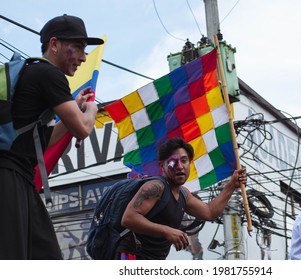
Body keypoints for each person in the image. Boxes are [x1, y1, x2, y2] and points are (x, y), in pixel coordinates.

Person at [0, 14, 104, 259]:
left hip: (20, 179)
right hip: (8, 177)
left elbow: (47, 139)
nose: (83, 57)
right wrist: (90, 110)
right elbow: (83, 129)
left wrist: (73, 113)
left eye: (85, 49)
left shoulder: (34, 74)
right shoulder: (48, 74)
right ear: (54, 44)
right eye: (77, 47)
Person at [115, 137, 247, 260]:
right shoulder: (156, 187)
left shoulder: (184, 194)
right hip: (132, 256)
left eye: (184, 161)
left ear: (189, 163)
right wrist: (167, 231)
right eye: (173, 162)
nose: (179, 166)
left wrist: (231, 185)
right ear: (162, 166)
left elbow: (209, 212)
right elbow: (129, 218)